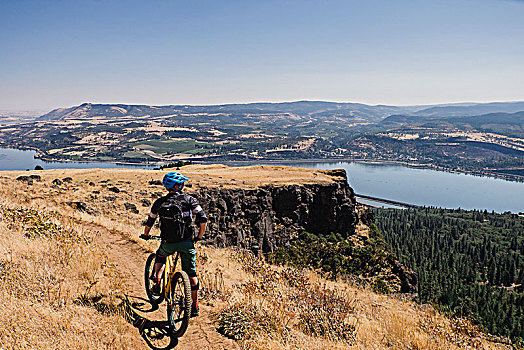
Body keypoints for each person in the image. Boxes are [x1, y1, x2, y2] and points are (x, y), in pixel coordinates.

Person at [141, 171, 207, 317]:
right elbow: (202, 218)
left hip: (167, 242)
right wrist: (199, 236)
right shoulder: (189, 199)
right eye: (181, 184)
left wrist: (146, 234)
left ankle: (157, 282)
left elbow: (150, 221)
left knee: (160, 256)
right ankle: (194, 306)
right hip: (186, 242)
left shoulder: (159, 202)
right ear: (178, 186)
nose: (183, 186)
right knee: (191, 274)